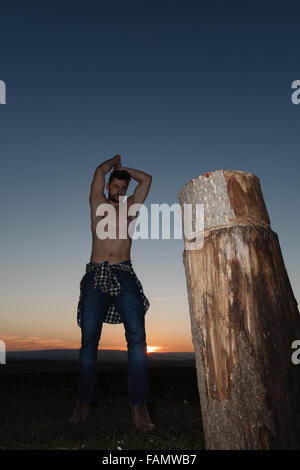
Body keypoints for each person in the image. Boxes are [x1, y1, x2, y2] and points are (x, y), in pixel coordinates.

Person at [69, 154, 157, 432]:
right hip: (96, 274)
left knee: (137, 340)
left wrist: (124, 170)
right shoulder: (97, 203)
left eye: (123, 188)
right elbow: (98, 169)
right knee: (88, 343)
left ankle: (139, 409)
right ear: (108, 187)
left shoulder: (131, 207)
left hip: (124, 273)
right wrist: (112, 163)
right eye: (115, 186)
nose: (119, 191)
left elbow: (148, 179)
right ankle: (83, 404)